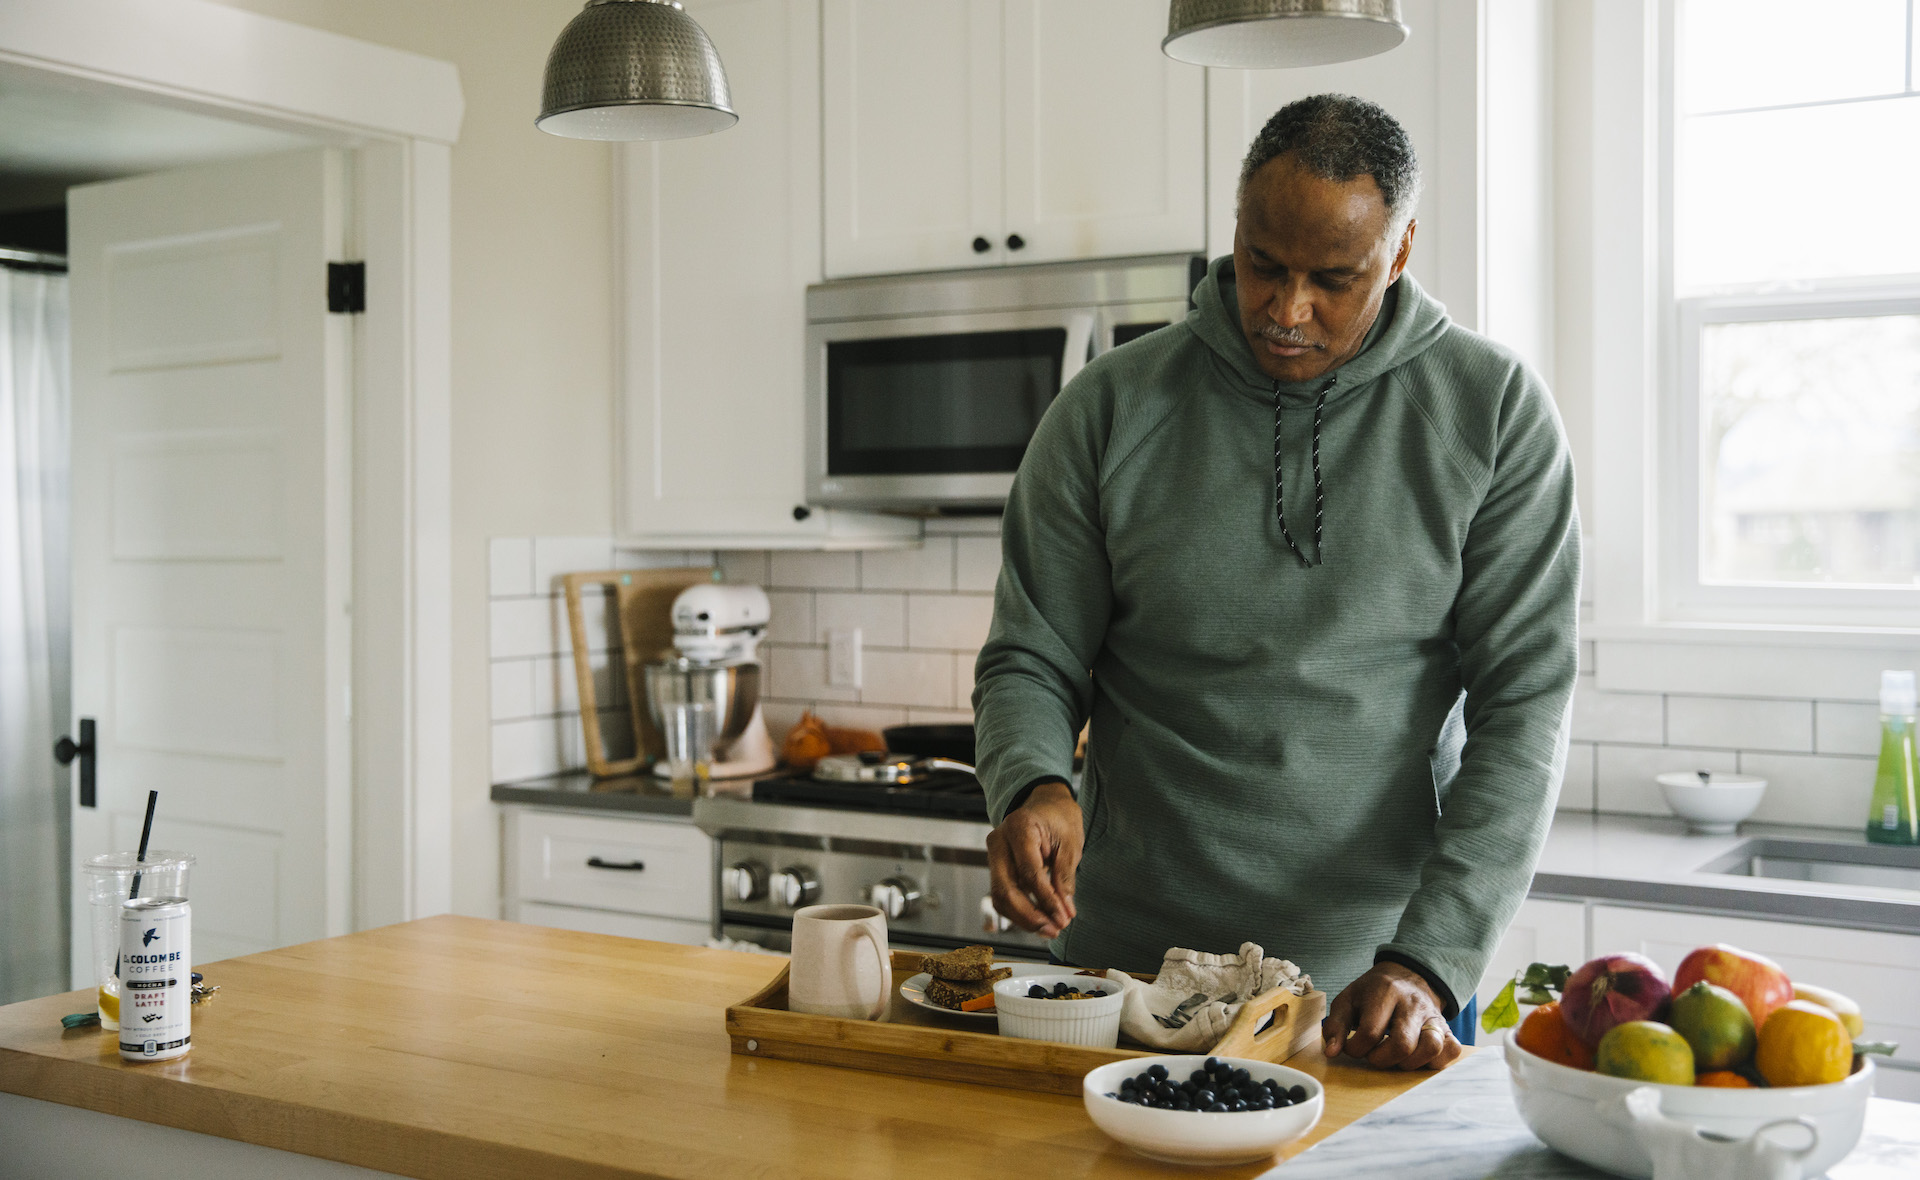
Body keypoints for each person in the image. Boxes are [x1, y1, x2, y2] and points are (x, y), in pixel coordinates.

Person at [972, 93, 1579, 1072]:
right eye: (1263, 264)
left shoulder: (1494, 413)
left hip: (1371, 988)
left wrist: (1431, 960)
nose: (1288, 310)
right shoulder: (1107, 411)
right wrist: (1034, 783)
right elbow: (1030, 655)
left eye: (1335, 279)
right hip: (1124, 979)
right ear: (1237, 229)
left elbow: (1525, 711)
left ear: (1403, 248)